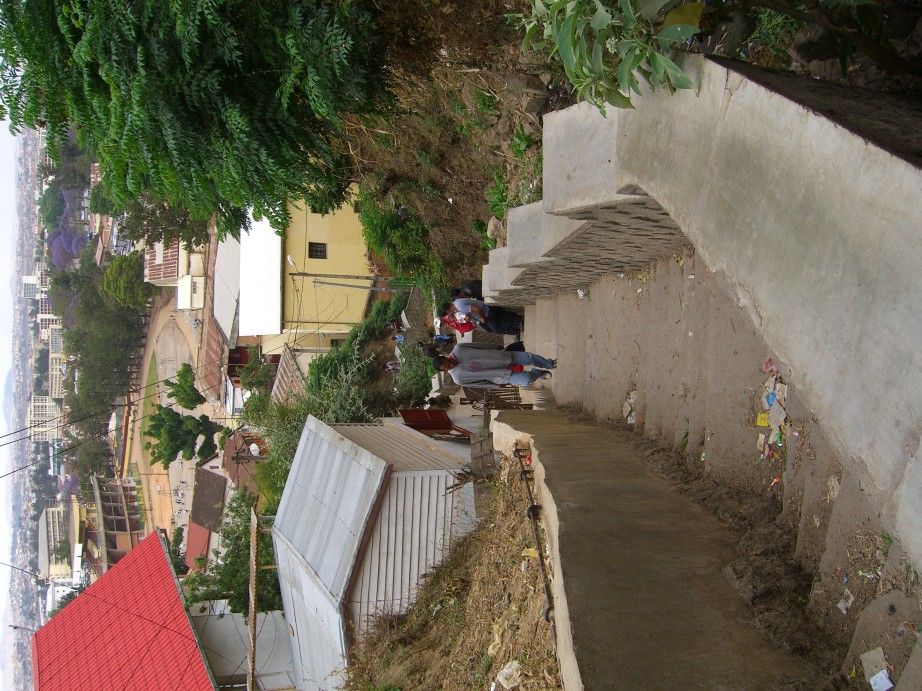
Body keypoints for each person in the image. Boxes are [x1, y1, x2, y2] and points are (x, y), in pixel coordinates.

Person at [435, 343, 556, 388]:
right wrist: (495, 386)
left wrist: (495, 346)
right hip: (497, 375)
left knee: (528, 358)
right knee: (526, 379)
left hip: (499, 357)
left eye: (449, 361)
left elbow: (479, 345)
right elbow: (478, 383)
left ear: (445, 357)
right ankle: (537, 373)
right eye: (449, 367)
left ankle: (549, 363)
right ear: (445, 371)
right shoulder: (458, 378)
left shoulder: (459, 348)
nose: (451, 364)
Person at [452, 297, 522, 336]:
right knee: (488, 329)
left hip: (486, 311)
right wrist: (468, 319)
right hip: (482, 315)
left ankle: (517, 322)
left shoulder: (459, 307)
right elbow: (468, 316)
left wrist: (481, 317)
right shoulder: (456, 305)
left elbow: (476, 309)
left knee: (496, 329)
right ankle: (515, 328)